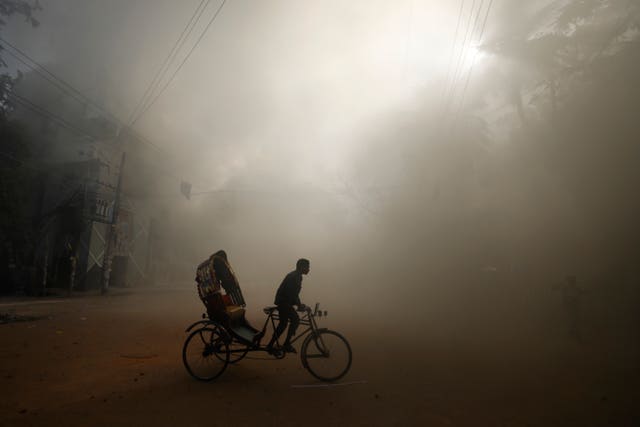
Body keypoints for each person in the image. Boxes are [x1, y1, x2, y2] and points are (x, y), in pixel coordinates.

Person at [267, 258, 310, 354]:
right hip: (283, 302)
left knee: (283, 324)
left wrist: (299, 304)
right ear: (301, 267)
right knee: (295, 320)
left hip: (285, 302)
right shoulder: (294, 276)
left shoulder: (297, 276)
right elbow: (291, 294)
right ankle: (286, 344)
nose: (308, 269)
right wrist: (299, 305)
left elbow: (294, 294)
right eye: (307, 267)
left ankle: (272, 345)